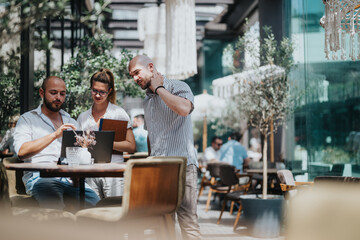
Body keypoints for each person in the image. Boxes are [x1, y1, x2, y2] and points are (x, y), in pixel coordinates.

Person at [128, 55, 201, 240]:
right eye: (132, 75)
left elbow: (184, 109)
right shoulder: (147, 101)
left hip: (183, 167)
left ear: (150, 67)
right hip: (159, 169)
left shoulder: (178, 86)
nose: (135, 78)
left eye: (137, 72)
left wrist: (159, 88)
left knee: (189, 224)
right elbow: (151, 135)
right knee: (164, 226)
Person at [13, 76, 100, 209]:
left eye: (62, 94)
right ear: (42, 93)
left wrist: (77, 172)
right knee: (55, 210)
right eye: (53, 93)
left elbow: (79, 154)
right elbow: (22, 152)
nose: (58, 97)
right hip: (40, 177)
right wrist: (54, 135)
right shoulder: (27, 119)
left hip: (70, 179)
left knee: (96, 205)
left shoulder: (71, 122)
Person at [77, 68, 136, 198]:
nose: (97, 95)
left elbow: (131, 146)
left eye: (102, 92)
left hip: (114, 172)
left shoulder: (118, 113)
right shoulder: (83, 117)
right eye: (94, 91)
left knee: (115, 212)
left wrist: (104, 142)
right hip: (90, 173)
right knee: (92, 213)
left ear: (109, 91)